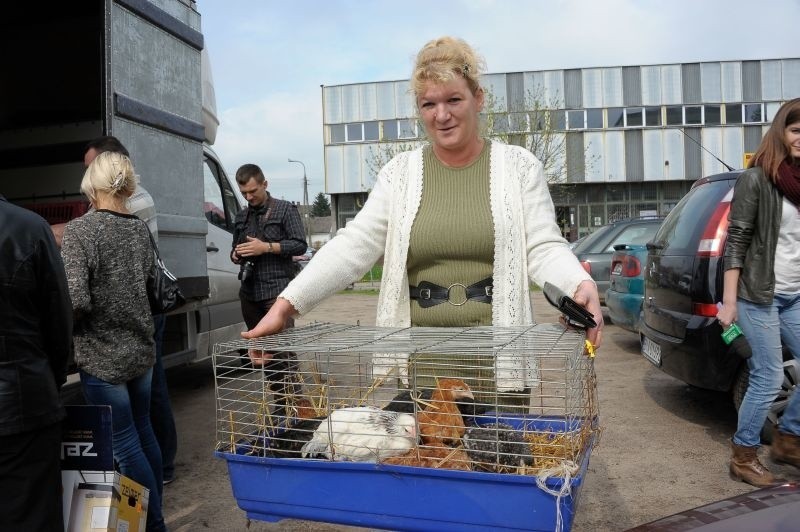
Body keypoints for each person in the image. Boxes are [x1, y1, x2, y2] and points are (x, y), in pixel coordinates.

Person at [242, 37, 602, 407]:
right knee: (429, 456)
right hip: (425, 360)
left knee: (499, 461)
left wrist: (578, 282)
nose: (441, 115)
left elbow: (543, 245)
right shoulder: (400, 175)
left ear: (478, 99)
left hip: (500, 360)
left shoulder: (520, 167)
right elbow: (353, 246)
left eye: (453, 100)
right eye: (429, 104)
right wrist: (285, 306)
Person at [61, 151, 167, 531]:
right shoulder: (138, 227)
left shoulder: (80, 231)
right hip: (140, 350)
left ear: (93, 184)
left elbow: (76, 301)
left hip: (103, 357)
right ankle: (158, 515)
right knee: (143, 432)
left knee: (124, 445)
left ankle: (153, 524)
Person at [84, 136, 178, 485]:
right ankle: (158, 480)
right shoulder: (127, 210)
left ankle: (160, 478)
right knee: (142, 415)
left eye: (94, 168)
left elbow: (98, 229)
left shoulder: (134, 204)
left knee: (143, 411)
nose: (90, 176)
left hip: (135, 317)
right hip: (139, 314)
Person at [717, 97, 800, 488]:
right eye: (797, 131)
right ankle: (744, 455)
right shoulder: (756, 179)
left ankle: (789, 439)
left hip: (795, 295)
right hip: (758, 296)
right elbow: (736, 241)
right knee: (767, 376)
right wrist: (730, 302)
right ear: (781, 132)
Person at [0, 196, 73, 531]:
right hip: (23, 401)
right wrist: (50, 380)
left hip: (22, 399)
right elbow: (59, 321)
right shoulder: (28, 227)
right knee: (31, 515)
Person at [231, 164, 307, 409]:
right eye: (244, 193)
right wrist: (237, 255)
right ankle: (280, 404)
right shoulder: (241, 216)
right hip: (250, 293)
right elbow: (236, 249)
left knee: (283, 353)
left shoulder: (285, 210)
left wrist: (266, 247)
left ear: (265, 184)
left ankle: (298, 407)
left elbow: (299, 245)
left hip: (277, 291)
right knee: (263, 354)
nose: (249, 197)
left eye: (253, 191)